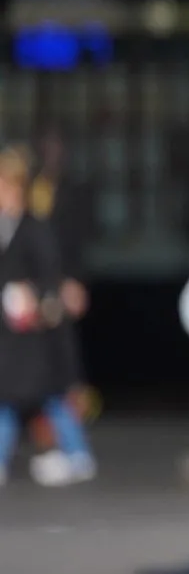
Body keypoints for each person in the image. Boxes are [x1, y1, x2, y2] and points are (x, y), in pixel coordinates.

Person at [0, 146, 95, 486]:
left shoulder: (34, 229)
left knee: (49, 393)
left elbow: (51, 275)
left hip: (36, 331)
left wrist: (35, 296)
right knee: (7, 397)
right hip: (9, 334)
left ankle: (76, 453)